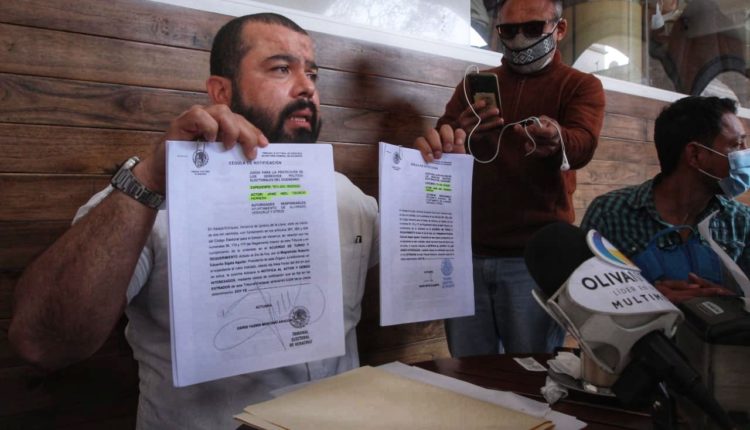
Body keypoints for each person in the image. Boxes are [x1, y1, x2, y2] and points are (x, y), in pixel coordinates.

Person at [8, 13, 378, 429]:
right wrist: (148, 180)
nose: (307, 87)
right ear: (221, 91)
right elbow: (41, 343)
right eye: (281, 68)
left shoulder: (349, 198)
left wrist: (432, 174)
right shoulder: (148, 197)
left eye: (311, 73)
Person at [414, 0, 605, 356]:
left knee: (532, 371)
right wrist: (459, 133)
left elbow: (583, 144)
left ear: (559, 29)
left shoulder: (580, 85)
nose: (519, 39)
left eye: (532, 29)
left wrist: (557, 138)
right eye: (508, 30)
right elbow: (443, 140)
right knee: (469, 371)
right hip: (467, 254)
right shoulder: (474, 85)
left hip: (531, 260)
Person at [581, 96, 748, 303]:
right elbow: (583, 298)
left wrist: (729, 300)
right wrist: (643, 300)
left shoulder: (741, 220)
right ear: (695, 155)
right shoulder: (610, 214)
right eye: (736, 145)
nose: (745, 154)